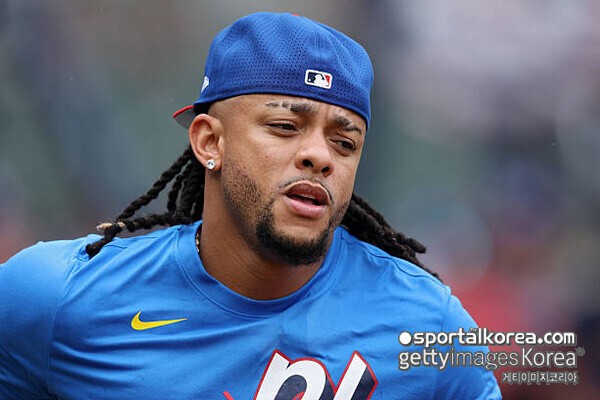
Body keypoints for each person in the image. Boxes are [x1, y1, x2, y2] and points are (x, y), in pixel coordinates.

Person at [0, 12, 501, 399]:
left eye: (344, 143)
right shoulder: (54, 299)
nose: (320, 156)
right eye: (285, 127)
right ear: (209, 141)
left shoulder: (430, 328)